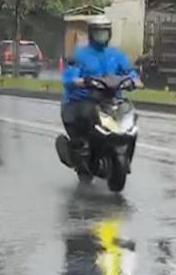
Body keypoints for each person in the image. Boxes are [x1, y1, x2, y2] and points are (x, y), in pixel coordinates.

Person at [61, 16, 142, 172]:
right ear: (91, 34)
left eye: (104, 31)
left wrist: (134, 81)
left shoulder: (115, 55)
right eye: (98, 32)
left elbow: (129, 72)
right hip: (86, 99)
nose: (101, 35)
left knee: (130, 117)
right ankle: (83, 154)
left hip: (112, 100)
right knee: (85, 115)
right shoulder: (80, 55)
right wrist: (80, 81)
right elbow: (70, 75)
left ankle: (126, 156)